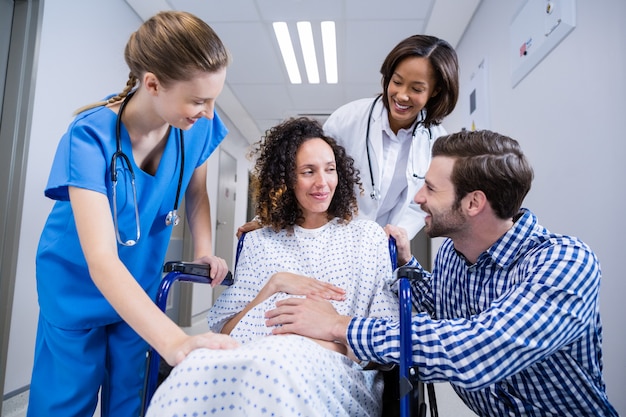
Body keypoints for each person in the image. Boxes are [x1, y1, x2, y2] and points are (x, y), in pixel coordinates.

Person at [266, 129, 619, 416]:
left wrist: (337, 325)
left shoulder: (566, 264)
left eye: (431, 188)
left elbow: (479, 347)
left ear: (473, 203)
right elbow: (443, 301)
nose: (418, 198)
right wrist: (405, 265)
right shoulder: (453, 251)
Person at [28, 11, 239, 417]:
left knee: (130, 402)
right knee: (64, 404)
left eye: (214, 98)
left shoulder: (195, 129)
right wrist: (175, 341)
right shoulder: (89, 136)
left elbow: (196, 195)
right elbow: (102, 261)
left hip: (137, 288)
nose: (209, 113)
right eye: (198, 100)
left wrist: (205, 250)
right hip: (76, 288)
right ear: (152, 83)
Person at [146, 117, 399, 417]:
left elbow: (387, 345)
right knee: (192, 369)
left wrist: (321, 338)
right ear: (288, 180)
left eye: (330, 169)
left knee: (273, 371)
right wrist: (274, 284)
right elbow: (228, 332)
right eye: (308, 172)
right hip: (254, 354)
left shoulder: (367, 237)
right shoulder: (260, 241)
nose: (322, 182)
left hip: (329, 368)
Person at [237, 34, 459, 240]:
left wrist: (396, 235)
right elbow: (307, 170)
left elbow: (418, 202)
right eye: (397, 82)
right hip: (332, 235)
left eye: (416, 89)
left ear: (436, 91)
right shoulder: (348, 118)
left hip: (381, 244)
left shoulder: (436, 142)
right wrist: (266, 218)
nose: (402, 95)